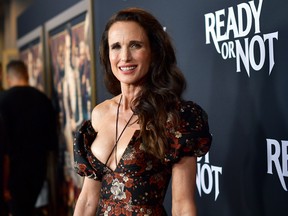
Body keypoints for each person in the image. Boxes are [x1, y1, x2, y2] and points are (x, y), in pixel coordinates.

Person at [73, 7, 212, 216]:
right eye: (116, 47)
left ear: (154, 51)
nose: (125, 56)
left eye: (135, 45)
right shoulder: (100, 114)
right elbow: (86, 201)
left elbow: (183, 205)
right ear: (107, 53)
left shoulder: (175, 117)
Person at [0, 60, 57, 216]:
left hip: (11, 173)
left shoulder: (3, 100)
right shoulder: (44, 100)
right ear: (27, 74)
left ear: (8, 78)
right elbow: (52, 142)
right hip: (38, 170)